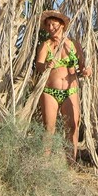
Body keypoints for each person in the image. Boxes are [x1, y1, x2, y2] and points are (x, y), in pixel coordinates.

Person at [35, 9, 92, 162]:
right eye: (47, 25)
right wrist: (47, 65)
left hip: (70, 91)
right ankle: (44, 163)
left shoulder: (73, 45)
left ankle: (71, 162)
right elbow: (38, 65)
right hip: (50, 92)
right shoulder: (45, 46)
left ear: (61, 25)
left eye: (53, 24)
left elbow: (82, 67)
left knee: (73, 126)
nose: (50, 28)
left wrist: (86, 71)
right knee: (49, 128)